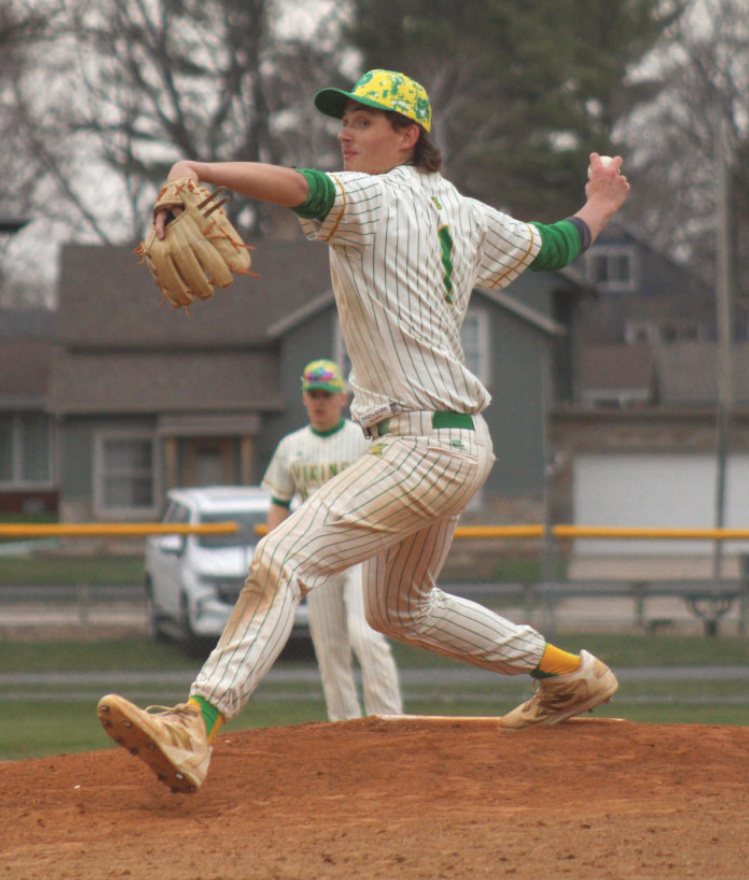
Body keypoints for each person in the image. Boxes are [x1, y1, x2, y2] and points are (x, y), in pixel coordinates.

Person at [98, 69, 630, 794]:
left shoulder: (376, 197)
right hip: (454, 440)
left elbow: (296, 186)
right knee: (398, 608)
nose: (346, 132)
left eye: (366, 121)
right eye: (343, 120)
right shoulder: (461, 211)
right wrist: (599, 201)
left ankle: (194, 725)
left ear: (409, 136)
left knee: (280, 558)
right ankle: (573, 675)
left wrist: (195, 169)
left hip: (420, 442)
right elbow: (554, 246)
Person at [262, 358, 402, 721]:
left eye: (326, 394)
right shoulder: (291, 446)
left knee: (366, 635)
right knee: (328, 649)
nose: (319, 400)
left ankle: (389, 720)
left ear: (343, 397)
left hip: (362, 549)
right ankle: (345, 726)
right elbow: (278, 504)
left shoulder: (363, 439)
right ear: (305, 398)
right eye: (313, 394)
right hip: (316, 554)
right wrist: (279, 557)